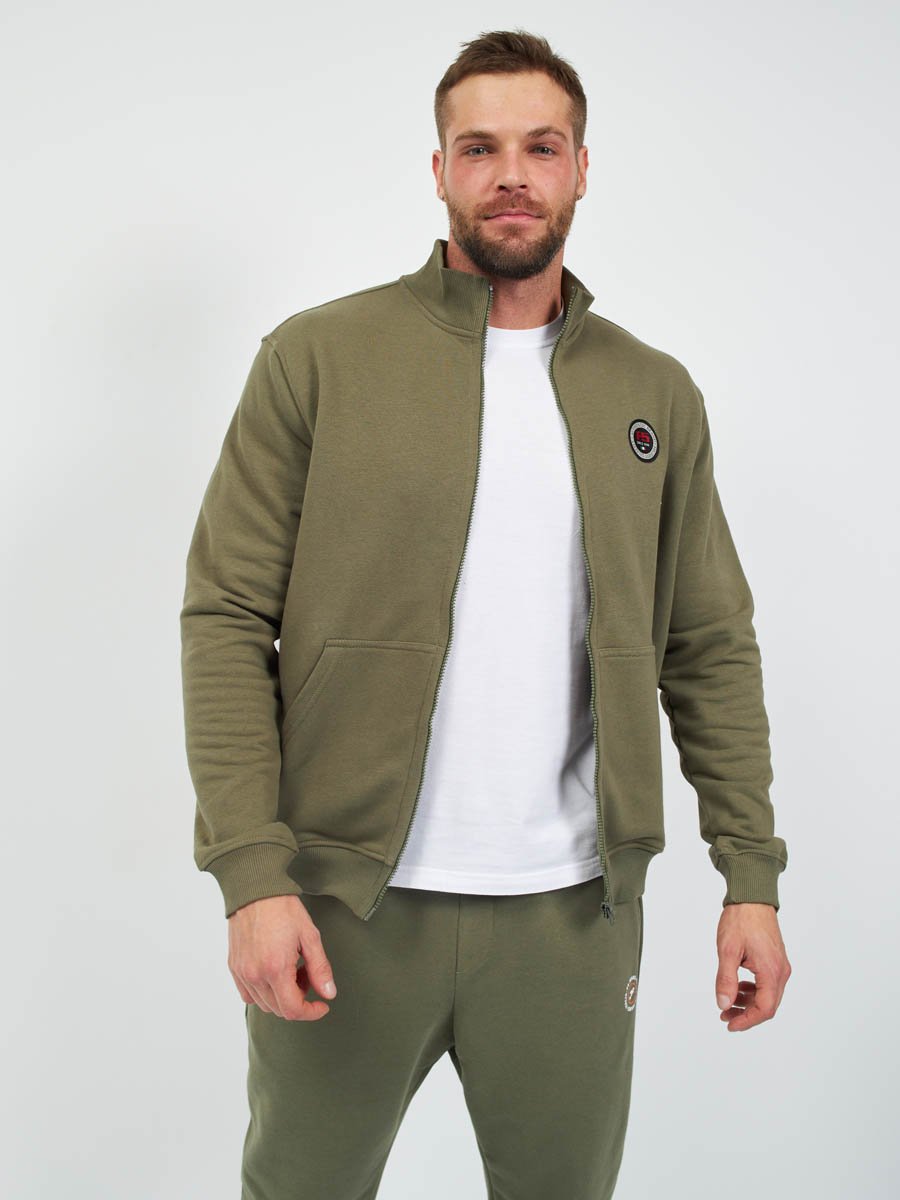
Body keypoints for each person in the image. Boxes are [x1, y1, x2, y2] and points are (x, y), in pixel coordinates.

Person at [180, 28, 791, 1200]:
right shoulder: (317, 359)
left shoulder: (651, 394)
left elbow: (709, 645)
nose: (512, 174)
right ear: (440, 170)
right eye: (480, 148)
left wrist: (750, 875)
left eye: (541, 147)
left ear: (581, 168)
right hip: (345, 905)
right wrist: (253, 876)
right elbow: (226, 618)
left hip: (572, 919)